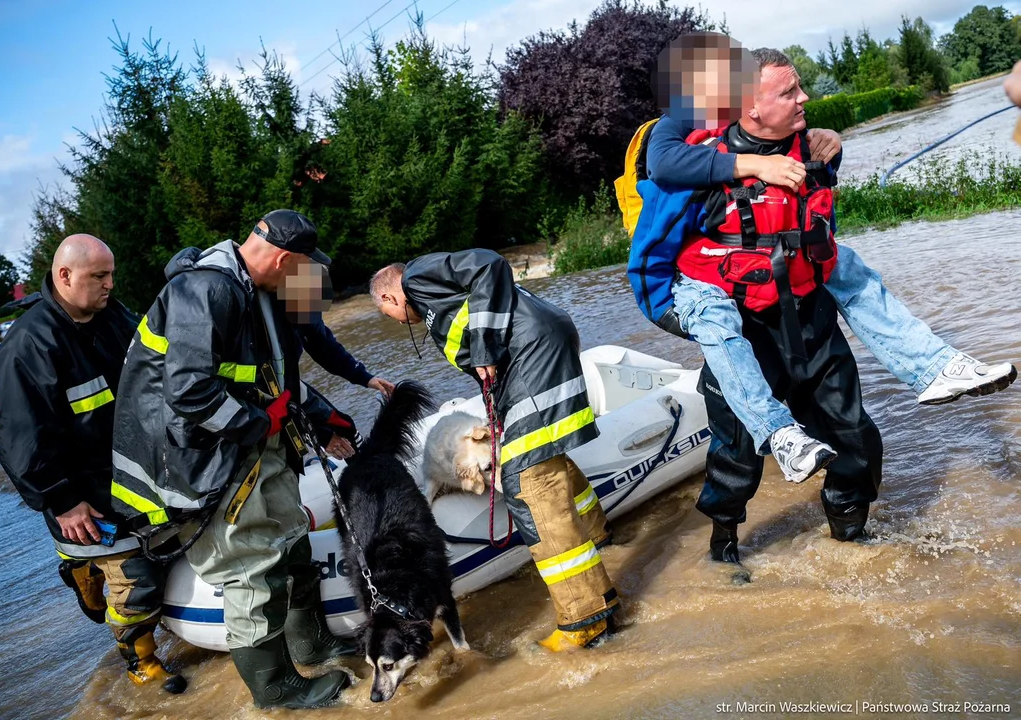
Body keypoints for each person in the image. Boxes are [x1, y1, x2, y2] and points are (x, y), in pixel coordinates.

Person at [624, 35, 1017, 486]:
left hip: (790, 289)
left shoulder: (790, 136)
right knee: (734, 443)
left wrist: (831, 144)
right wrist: (752, 165)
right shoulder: (683, 124)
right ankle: (752, 478)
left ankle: (933, 369)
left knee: (846, 266)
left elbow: (811, 191)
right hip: (702, 287)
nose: (803, 99)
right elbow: (665, 163)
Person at [110, 211, 352, 710]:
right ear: (285, 260)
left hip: (249, 448)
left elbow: (274, 378)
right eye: (306, 268)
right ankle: (275, 690)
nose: (309, 279)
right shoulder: (207, 291)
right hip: (203, 460)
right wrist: (260, 425)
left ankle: (311, 643)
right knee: (250, 566)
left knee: (291, 538)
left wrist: (324, 418)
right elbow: (190, 391)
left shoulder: (260, 293)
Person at [369, 250, 619, 652]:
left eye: (390, 317)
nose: (400, 322)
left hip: (534, 355)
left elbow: (490, 263)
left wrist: (482, 348)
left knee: (525, 481)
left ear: (388, 299)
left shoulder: (415, 278)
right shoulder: (437, 297)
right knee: (539, 459)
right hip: (537, 352)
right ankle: (599, 563)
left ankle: (583, 618)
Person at [0, 235, 186, 694]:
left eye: (111, 274)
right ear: (64, 276)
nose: (109, 284)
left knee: (171, 554)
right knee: (135, 580)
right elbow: (22, 440)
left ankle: (91, 570)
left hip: (132, 474)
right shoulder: (28, 346)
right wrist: (63, 501)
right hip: (79, 494)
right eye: (99, 276)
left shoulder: (115, 316)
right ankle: (142, 662)